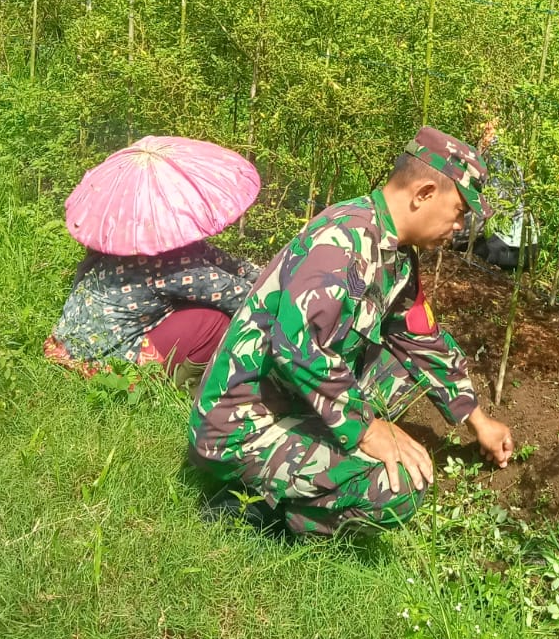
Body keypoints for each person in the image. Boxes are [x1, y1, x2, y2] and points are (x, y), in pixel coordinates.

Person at [188, 127, 515, 537]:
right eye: (460, 210)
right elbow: (296, 345)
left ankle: (295, 475)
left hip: (287, 394)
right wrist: (367, 428)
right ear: (425, 193)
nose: (459, 225)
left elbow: (421, 337)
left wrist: (477, 420)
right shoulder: (342, 243)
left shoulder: (393, 252)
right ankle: (259, 511)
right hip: (239, 421)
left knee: (396, 380)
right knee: (399, 488)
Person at [45, 239, 261, 380]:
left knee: (196, 303)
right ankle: (182, 387)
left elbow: (228, 263)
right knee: (214, 322)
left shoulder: (113, 241)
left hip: (65, 344)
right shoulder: (165, 260)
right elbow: (241, 298)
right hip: (106, 366)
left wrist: (267, 272)